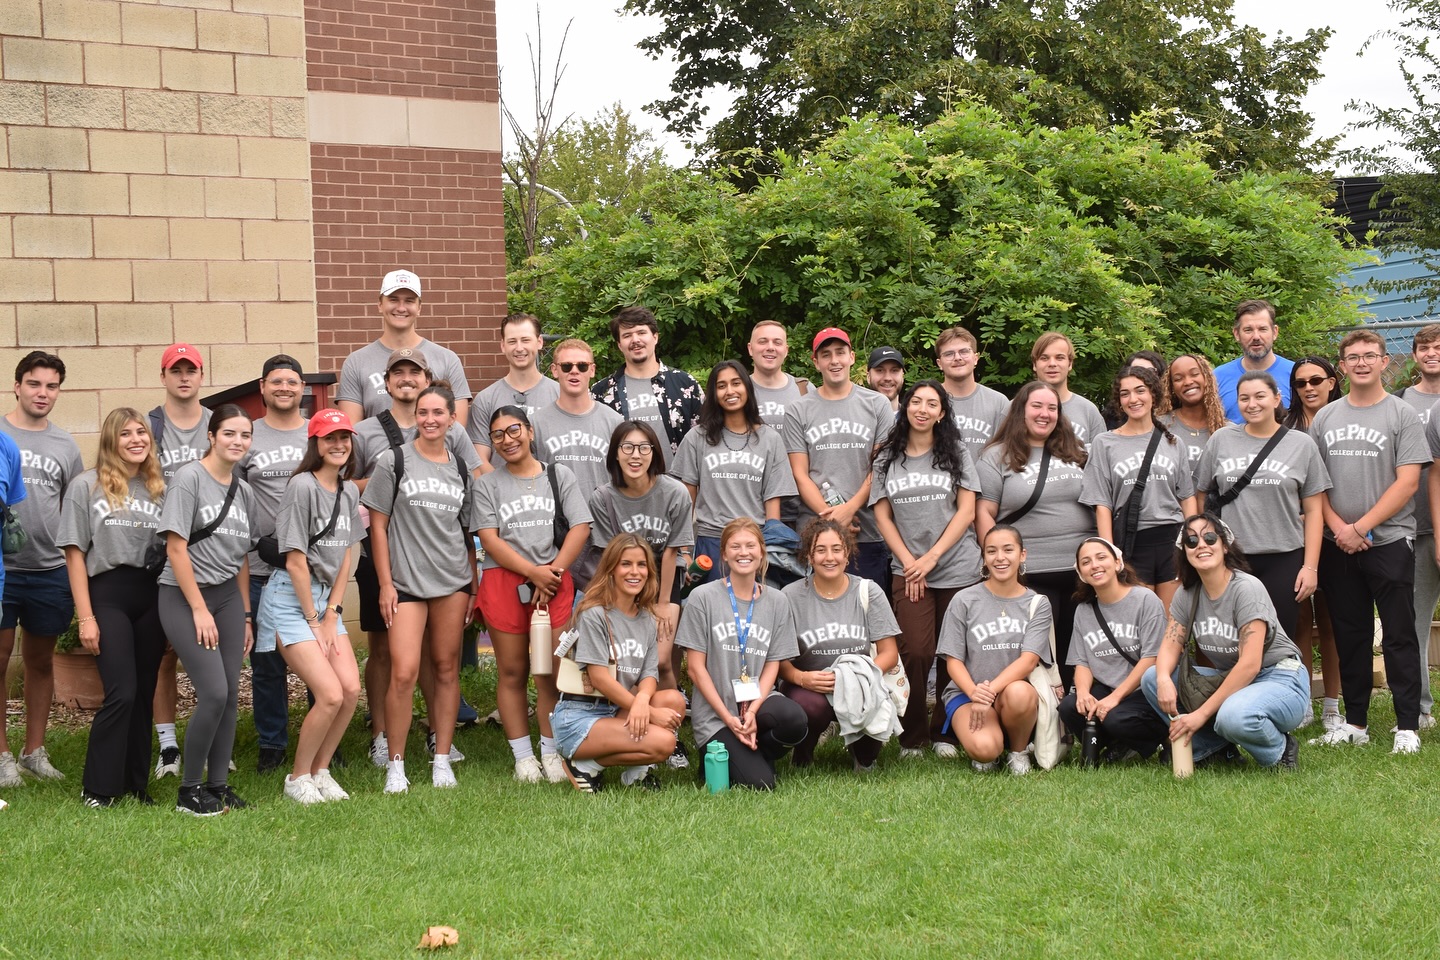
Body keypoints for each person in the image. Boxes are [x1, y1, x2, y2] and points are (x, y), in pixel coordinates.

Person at [350, 351, 481, 767]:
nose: (429, 418)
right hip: (396, 569)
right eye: (424, 413)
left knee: (442, 664)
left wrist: (474, 585)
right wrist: (387, 583)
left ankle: (439, 744)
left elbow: (469, 520)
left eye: (437, 412)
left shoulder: (457, 453)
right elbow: (359, 500)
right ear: (386, 382)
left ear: (451, 417)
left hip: (448, 575)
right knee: (392, 660)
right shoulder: (376, 442)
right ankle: (386, 744)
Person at [1311, 331, 1428, 754]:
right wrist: (1339, 528)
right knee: (1350, 634)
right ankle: (1355, 723)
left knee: (1399, 635)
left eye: (1369, 356)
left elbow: (1408, 481)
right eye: (1353, 357)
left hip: (1390, 540)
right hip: (1337, 543)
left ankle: (1407, 726)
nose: (1361, 363)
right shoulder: (1325, 417)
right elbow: (1315, 485)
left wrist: (1360, 528)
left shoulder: (1402, 414)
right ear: (1342, 366)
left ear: (1384, 362)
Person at [475, 405, 592, 784]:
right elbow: (489, 539)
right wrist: (533, 573)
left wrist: (551, 572)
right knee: (512, 671)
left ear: (529, 431)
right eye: (497, 435)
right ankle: (523, 758)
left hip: (553, 585)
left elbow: (580, 527)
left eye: (514, 430)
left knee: (550, 671)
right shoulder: (487, 485)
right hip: (505, 584)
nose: (507, 440)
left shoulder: (558, 475)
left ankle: (550, 751)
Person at [57, 408, 166, 806]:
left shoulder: (160, 488)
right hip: (107, 593)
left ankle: (136, 784)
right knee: (122, 690)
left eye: (141, 432)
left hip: (151, 595)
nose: (136, 440)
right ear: (110, 441)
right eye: (126, 434)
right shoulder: (85, 486)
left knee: (144, 690)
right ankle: (98, 787)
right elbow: (74, 554)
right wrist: (85, 617)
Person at [1141, 514, 1310, 769]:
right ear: (1184, 551)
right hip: (1233, 679)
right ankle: (1214, 749)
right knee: (1152, 677)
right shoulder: (1187, 594)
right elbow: (1170, 644)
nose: (1201, 545)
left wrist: (1200, 715)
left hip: (1280, 677)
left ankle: (1280, 751)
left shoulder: (1246, 588)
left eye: (1210, 538)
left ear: (1225, 546)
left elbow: (1250, 665)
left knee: (1233, 716)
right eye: (1191, 541)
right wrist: (1164, 679)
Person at [871, 380, 981, 759]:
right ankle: (914, 736)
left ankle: (945, 734)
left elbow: (966, 510)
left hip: (957, 566)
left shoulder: (957, 452)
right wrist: (908, 562)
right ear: (905, 408)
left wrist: (931, 558)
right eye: (915, 401)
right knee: (915, 651)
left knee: (953, 654)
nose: (922, 409)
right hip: (908, 570)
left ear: (942, 413)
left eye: (932, 404)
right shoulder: (887, 457)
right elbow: (882, 515)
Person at [257, 409, 363, 804]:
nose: (338, 445)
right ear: (315, 444)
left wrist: (333, 611)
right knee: (329, 694)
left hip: (324, 603)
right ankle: (297, 777)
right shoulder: (301, 486)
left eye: (344, 437)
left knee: (350, 690)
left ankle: (321, 770)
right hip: (291, 600)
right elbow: (296, 561)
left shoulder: (348, 491)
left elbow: (346, 554)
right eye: (329, 438)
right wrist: (314, 619)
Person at [156, 404, 256, 815]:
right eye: (229, 433)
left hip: (228, 596)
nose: (237, 441)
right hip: (184, 596)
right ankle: (189, 791)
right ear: (211, 436)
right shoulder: (189, 478)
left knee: (230, 693)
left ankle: (218, 786)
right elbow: (175, 548)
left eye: (245, 435)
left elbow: (242, 558)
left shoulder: (243, 491)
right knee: (213, 692)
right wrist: (199, 609)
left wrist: (245, 614)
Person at [588, 420, 692, 772]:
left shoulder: (674, 492)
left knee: (661, 660)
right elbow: (609, 558)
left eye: (644, 448)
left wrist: (661, 605)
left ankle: (671, 735)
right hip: (623, 581)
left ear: (654, 453)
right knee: (627, 660)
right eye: (627, 448)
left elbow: (673, 551)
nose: (636, 455)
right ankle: (631, 726)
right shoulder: (603, 497)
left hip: (663, 578)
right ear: (615, 454)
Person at [975, 381, 1093, 687]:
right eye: (1037, 406)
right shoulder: (996, 456)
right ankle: (1042, 708)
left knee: (1078, 649)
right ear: (1020, 411)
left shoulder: (1079, 452)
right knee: (1039, 653)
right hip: (1031, 573)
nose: (1045, 414)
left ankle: (1077, 707)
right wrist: (996, 559)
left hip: (1082, 571)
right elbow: (984, 512)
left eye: (1052, 408)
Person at [1194, 371, 1329, 639]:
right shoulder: (1221, 439)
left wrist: (1310, 567)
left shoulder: (1301, 445)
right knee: (1232, 638)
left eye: (1260, 396)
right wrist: (1207, 541)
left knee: (1279, 638)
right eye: (1244, 398)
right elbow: (1200, 495)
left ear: (1277, 399)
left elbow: (1315, 510)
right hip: (1232, 557)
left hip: (1284, 556)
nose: (1252, 404)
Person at [0, 351, 83, 784]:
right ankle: (1, 755)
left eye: (51, 386)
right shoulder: (0, 435)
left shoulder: (65, 445)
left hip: (49, 568)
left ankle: (34, 750)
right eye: (34, 383)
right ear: (17, 386)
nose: (42, 393)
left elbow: (73, 509)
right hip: (3, 569)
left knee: (41, 661)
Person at [675, 517, 806, 790]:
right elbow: (695, 669)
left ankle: (753, 753)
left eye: (750, 546)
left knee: (794, 721)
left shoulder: (777, 601)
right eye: (735, 546)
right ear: (724, 554)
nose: (743, 553)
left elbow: (773, 664)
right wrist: (729, 718)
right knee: (762, 784)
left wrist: (753, 711)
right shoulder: (702, 597)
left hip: (756, 702)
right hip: (716, 715)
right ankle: (728, 757)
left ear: (762, 552)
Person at [550, 534, 687, 792]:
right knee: (665, 743)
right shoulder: (594, 613)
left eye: (641, 564)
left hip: (616, 709)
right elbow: (599, 678)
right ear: (611, 569)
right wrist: (648, 712)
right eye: (626, 564)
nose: (635, 572)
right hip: (580, 715)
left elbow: (649, 675)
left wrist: (642, 702)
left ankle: (634, 775)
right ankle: (583, 764)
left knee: (674, 701)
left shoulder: (647, 619)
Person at [779, 519, 901, 771]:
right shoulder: (789, 596)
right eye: (820, 550)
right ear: (809, 556)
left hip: (861, 684)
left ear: (847, 554)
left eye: (836, 549)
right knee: (810, 708)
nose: (829, 557)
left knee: (867, 758)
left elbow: (889, 653)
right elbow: (778, 661)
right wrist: (803, 678)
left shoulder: (868, 591)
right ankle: (802, 755)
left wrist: (857, 678)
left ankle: (862, 754)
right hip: (811, 688)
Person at [238, 355, 310, 774]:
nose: (285, 388)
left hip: (312, 567)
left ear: (302, 388)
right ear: (262, 387)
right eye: (276, 381)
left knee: (320, 653)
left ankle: (325, 737)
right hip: (262, 565)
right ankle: (272, 741)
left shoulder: (317, 434)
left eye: (292, 381)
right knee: (267, 662)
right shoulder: (248, 436)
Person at [935, 524, 1053, 775]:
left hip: (1011, 695)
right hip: (968, 693)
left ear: (1022, 555)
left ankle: (1018, 752)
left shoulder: (1037, 603)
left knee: (1020, 692)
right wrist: (975, 693)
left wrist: (988, 693)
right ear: (984, 557)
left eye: (1008, 550)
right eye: (991, 551)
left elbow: (1028, 661)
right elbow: (953, 661)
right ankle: (992, 746)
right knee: (985, 749)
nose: (1000, 557)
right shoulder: (964, 600)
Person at [1081, 365, 1197, 610]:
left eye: (1140, 390)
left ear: (1153, 394)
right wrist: (1110, 552)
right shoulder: (1105, 443)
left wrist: (1192, 540)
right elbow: (1102, 503)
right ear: (1119, 401)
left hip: (1171, 540)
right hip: (1131, 542)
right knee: (1140, 617)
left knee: (1172, 619)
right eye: (1125, 394)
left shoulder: (1173, 442)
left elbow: (1187, 497)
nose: (1133, 399)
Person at [784, 327, 894, 585]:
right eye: (826, 354)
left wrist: (850, 509)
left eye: (840, 353)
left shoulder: (877, 404)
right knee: (816, 607)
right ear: (816, 362)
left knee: (866, 605)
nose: (834, 360)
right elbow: (799, 473)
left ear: (851, 357)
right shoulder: (798, 410)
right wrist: (832, 518)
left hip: (866, 529)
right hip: (816, 533)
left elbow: (880, 467)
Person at [673, 361, 796, 583]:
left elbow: (772, 506)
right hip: (710, 542)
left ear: (747, 387)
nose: (729, 391)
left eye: (736, 383)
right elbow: (685, 500)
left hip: (753, 543)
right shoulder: (697, 437)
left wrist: (768, 549)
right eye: (721, 386)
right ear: (713, 393)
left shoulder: (770, 439)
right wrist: (684, 551)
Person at [149, 342, 209, 778]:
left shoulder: (216, 423)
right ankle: (168, 746)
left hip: (211, 550)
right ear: (164, 376)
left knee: (212, 652)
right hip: (162, 551)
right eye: (176, 370)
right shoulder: (150, 426)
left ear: (202, 376)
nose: (184, 377)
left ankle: (213, 741)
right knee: (164, 653)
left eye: (191, 370)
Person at [1058, 537, 1169, 763]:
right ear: (1081, 573)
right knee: (1069, 707)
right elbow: (1082, 661)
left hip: (1144, 691)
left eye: (1101, 557)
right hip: (1108, 688)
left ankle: (1159, 738)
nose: (1095, 565)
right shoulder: (1084, 610)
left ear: (1118, 562)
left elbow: (1152, 657)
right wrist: (1083, 693)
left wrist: (1115, 698)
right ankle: (1120, 745)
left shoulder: (1145, 600)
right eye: (1086, 562)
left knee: (1116, 718)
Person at [1283, 355, 1344, 729]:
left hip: (1337, 534)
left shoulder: (1346, 420)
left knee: (1332, 620)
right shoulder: (1284, 428)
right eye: (1300, 383)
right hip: (1295, 536)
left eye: (1316, 380)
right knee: (1300, 621)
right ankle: (1303, 701)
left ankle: (1333, 706)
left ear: (1332, 382)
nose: (1308, 388)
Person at [335, 268, 472, 424]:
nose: (401, 308)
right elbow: (352, 432)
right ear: (380, 304)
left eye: (409, 301)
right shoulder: (356, 362)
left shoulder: (447, 360)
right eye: (393, 299)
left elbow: (457, 429)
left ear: (419, 307)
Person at [530, 339, 623, 526]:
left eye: (582, 366)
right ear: (554, 370)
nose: (574, 371)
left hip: (605, 525)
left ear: (592, 370)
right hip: (557, 527)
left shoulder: (614, 422)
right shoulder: (535, 424)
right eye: (566, 366)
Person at [591, 305, 703, 458]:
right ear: (619, 345)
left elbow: (704, 437)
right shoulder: (601, 392)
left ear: (655, 337)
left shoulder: (685, 384)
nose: (635, 340)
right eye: (627, 335)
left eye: (641, 332)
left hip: (679, 474)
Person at [1399, 324, 1440, 731]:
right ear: (1414, 356)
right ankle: (1421, 707)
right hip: (1417, 527)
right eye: (1425, 348)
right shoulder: (1400, 402)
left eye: (1438, 347)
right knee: (1415, 621)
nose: (1432, 353)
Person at [467, 312, 559, 471]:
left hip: (551, 485)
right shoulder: (485, 399)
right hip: (501, 486)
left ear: (539, 342)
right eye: (512, 341)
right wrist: (506, 486)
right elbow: (479, 461)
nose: (519, 348)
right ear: (503, 346)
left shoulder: (559, 395)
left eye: (525, 340)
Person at [1213, 298, 1295, 424]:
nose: (1256, 337)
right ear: (1236, 334)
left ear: (1275, 332)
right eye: (1248, 330)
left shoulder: (1296, 375)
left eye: (1262, 329)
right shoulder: (1217, 378)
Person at [935, 326, 1009, 461]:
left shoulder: (999, 403)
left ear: (975, 358)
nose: (957, 358)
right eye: (949, 354)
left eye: (964, 351)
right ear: (939, 363)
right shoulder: (927, 402)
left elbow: (1007, 453)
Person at [1157, 353, 1228, 479]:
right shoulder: (1158, 426)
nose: (1188, 382)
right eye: (1178, 379)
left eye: (1194, 374)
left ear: (1206, 378)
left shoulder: (1227, 431)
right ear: (1171, 387)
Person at [1030, 332, 1105, 447]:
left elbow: (1101, 455)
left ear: (1070, 364)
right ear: (1034, 364)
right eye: (1044, 358)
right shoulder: (1014, 408)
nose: (1052, 364)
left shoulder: (1089, 411)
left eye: (1059, 358)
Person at [747, 320, 809, 430]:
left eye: (777, 343)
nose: (770, 347)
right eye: (763, 342)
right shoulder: (737, 391)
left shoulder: (804, 389)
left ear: (786, 351)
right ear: (750, 349)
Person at [1101, 350, 1166, 429]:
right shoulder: (1112, 416)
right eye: (1136, 371)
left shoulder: (1173, 412)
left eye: (1149, 371)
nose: (1143, 376)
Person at [866, 346, 905, 411]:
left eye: (894, 370)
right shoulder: (854, 416)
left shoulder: (912, 417)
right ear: (868, 377)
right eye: (880, 370)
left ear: (902, 377)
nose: (887, 378)